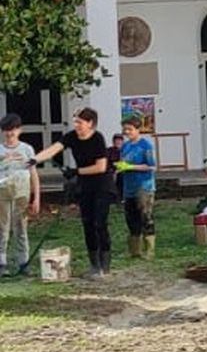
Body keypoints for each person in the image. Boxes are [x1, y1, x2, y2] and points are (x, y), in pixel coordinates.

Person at [29, 107, 113, 277]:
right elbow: (54, 149)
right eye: (75, 122)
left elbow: (101, 167)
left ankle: (105, 263)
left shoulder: (97, 138)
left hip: (102, 186)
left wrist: (76, 171)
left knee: (99, 223)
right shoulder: (71, 137)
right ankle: (94, 264)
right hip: (85, 186)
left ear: (90, 123)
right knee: (87, 224)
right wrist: (34, 159)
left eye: (80, 122)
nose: (76, 125)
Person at [0, 114, 39, 276]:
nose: (10, 133)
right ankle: (2, 263)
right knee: (2, 227)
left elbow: (34, 174)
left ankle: (23, 262)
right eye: (7, 130)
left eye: (13, 130)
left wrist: (36, 198)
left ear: (19, 130)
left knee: (21, 227)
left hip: (22, 192)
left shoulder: (27, 149)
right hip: (2, 192)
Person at [116, 116, 156, 259]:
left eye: (130, 129)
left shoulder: (146, 146)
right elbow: (123, 162)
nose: (127, 132)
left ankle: (149, 250)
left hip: (144, 186)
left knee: (145, 217)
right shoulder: (125, 146)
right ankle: (134, 251)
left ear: (138, 129)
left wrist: (130, 167)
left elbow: (151, 166)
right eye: (125, 129)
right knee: (131, 218)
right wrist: (120, 167)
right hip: (128, 187)